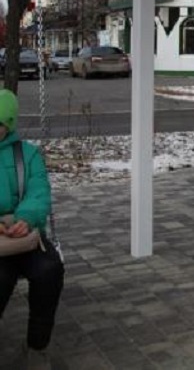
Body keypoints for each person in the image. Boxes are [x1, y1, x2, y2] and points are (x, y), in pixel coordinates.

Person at [0, 89, 64, 369]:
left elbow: (39, 191)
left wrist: (25, 218)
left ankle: (37, 347)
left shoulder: (27, 154)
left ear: (9, 124)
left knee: (49, 271)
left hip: (24, 236)